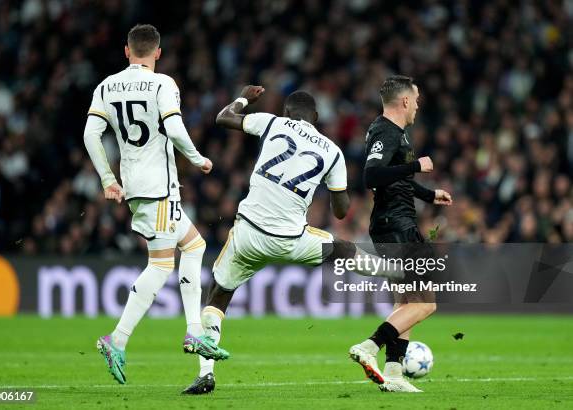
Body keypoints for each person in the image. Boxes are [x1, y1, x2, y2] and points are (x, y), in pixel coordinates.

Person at [185, 85, 401, 392]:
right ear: (315, 117)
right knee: (340, 249)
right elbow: (341, 212)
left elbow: (223, 118)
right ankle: (399, 271)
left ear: (288, 113)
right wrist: (332, 188)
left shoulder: (272, 122)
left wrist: (245, 97)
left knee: (219, 293)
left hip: (248, 233)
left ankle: (206, 373)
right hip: (291, 238)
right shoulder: (332, 152)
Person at [82, 24, 228, 389]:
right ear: (158, 53)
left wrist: (106, 178)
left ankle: (194, 329)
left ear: (127, 51)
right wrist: (197, 159)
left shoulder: (106, 86)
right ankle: (117, 339)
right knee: (161, 265)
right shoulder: (163, 84)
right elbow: (176, 130)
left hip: (135, 185)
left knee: (195, 245)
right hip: (160, 187)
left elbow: (90, 135)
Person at [348, 75, 452, 393]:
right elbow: (371, 176)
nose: (418, 104)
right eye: (416, 98)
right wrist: (415, 167)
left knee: (406, 301)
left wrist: (428, 195)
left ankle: (393, 375)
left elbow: (397, 181)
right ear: (405, 101)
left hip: (394, 223)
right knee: (427, 303)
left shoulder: (399, 135)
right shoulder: (385, 130)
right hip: (396, 227)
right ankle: (369, 346)